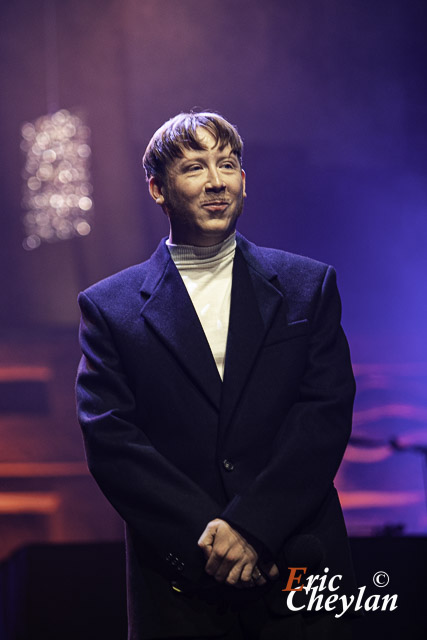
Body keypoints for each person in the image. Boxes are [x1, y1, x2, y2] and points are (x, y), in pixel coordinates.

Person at [76, 111, 357, 639]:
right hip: (181, 584)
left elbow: (323, 414)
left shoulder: (307, 284)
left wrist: (255, 528)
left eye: (227, 164)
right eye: (194, 167)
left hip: (297, 564)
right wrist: (209, 542)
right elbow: (112, 440)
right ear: (158, 189)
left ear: (243, 181)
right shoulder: (108, 307)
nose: (215, 181)